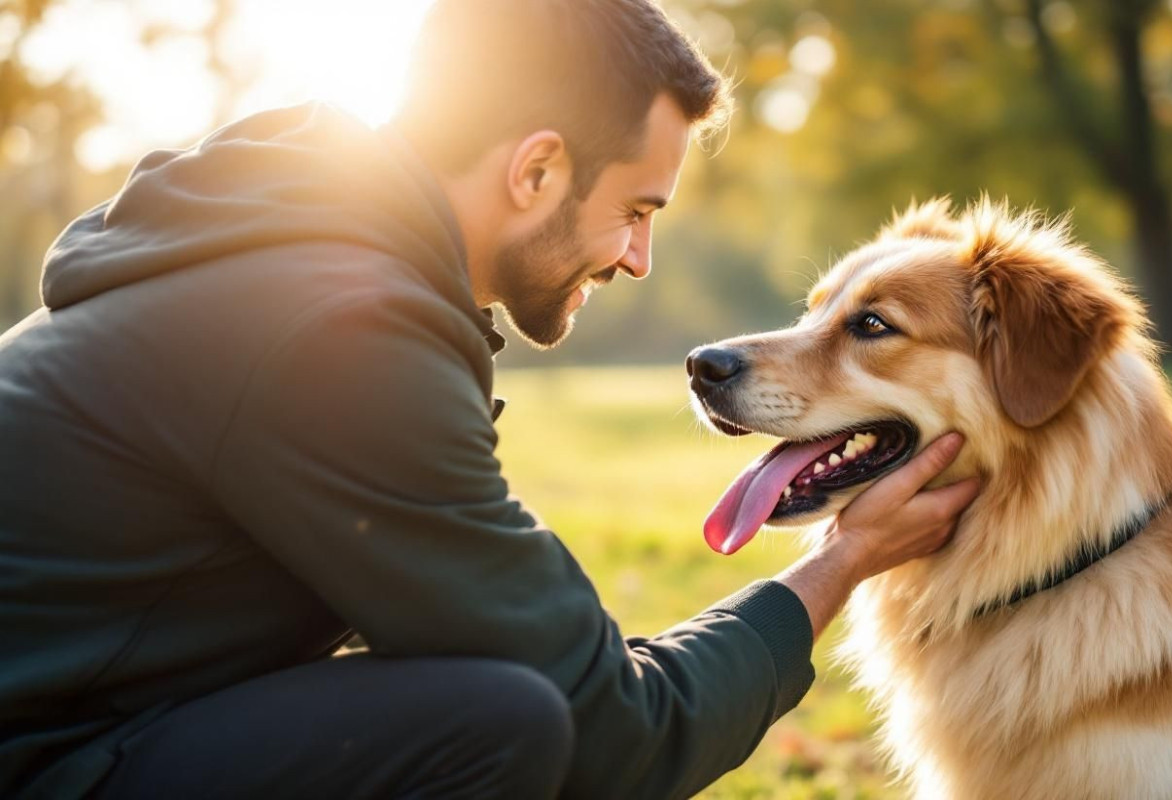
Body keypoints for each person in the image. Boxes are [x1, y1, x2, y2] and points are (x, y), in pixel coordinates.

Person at [0, 1, 981, 798]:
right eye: (636, 211)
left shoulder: (286, 259)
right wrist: (842, 558)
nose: (637, 258)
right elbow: (615, 737)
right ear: (536, 169)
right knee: (494, 726)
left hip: (77, 720)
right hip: (47, 756)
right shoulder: (336, 331)